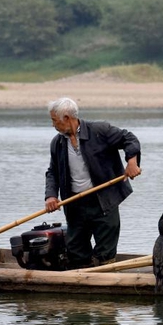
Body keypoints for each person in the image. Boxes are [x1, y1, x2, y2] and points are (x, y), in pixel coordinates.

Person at [44, 97, 141, 269]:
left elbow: (129, 139)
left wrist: (132, 162)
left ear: (66, 118)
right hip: (74, 203)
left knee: (105, 252)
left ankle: (105, 281)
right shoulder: (57, 143)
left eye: (54, 120)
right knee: (75, 250)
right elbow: (52, 172)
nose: (53, 125)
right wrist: (51, 195)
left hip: (103, 201)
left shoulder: (100, 131)